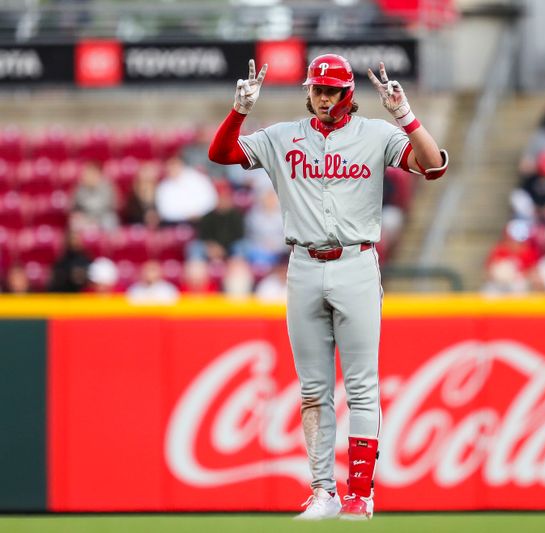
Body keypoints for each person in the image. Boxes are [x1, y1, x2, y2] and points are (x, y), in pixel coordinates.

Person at [208, 55, 448, 520]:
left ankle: (360, 494)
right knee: (313, 390)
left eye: (330, 90)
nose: (321, 97)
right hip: (302, 262)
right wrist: (238, 111)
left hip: (356, 261)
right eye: (316, 89)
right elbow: (222, 155)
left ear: (346, 95)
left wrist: (405, 116)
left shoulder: (376, 133)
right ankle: (323, 492)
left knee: (361, 386)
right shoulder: (283, 136)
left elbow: (433, 166)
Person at [185, 180, 245, 262]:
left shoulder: (237, 216)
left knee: (240, 246)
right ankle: (197, 269)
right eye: (221, 197)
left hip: (230, 247)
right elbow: (203, 236)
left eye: (226, 197)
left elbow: (239, 235)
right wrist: (212, 246)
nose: (223, 201)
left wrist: (223, 247)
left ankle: (237, 267)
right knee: (195, 247)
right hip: (211, 247)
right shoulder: (207, 216)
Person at [155, 155, 218, 224]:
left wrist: (197, 213)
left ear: (181, 164)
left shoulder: (197, 178)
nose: (173, 169)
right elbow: (164, 211)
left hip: (204, 219)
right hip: (177, 223)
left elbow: (211, 200)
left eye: (175, 165)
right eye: (170, 166)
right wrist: (186, 215)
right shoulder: (163, 187)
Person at [70, 161, 118, 232]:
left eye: (93, 174)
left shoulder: (107, 187)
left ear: (99, 175)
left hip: (102, 217)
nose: (89, 176)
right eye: (88, 174)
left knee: (110, 219)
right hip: (85, 218)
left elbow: (110, 207)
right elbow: (74, 208)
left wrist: (94, 220)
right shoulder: (79, 188)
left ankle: (108, 242)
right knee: (75, 222)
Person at [122, 162, 160, 228]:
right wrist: (145, 217)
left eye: (148, 179)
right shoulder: (133, 196)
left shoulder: (159, 192)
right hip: (138, 226)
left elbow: (165, 210)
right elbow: (131, 215)